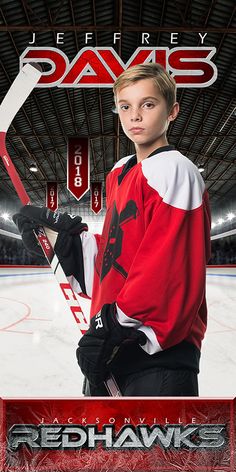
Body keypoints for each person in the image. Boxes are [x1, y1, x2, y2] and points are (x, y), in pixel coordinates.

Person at [13, 63, 211, 397]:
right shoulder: (121, 173)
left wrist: (113, 324)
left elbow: (166, 269)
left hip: (158, 357)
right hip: (112, 350)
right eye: (125, 106)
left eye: (148, 104)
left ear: (172, 111)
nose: (135, 115)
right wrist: (60, 241)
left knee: (155, 452)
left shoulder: (176, 170)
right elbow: (116, 256)